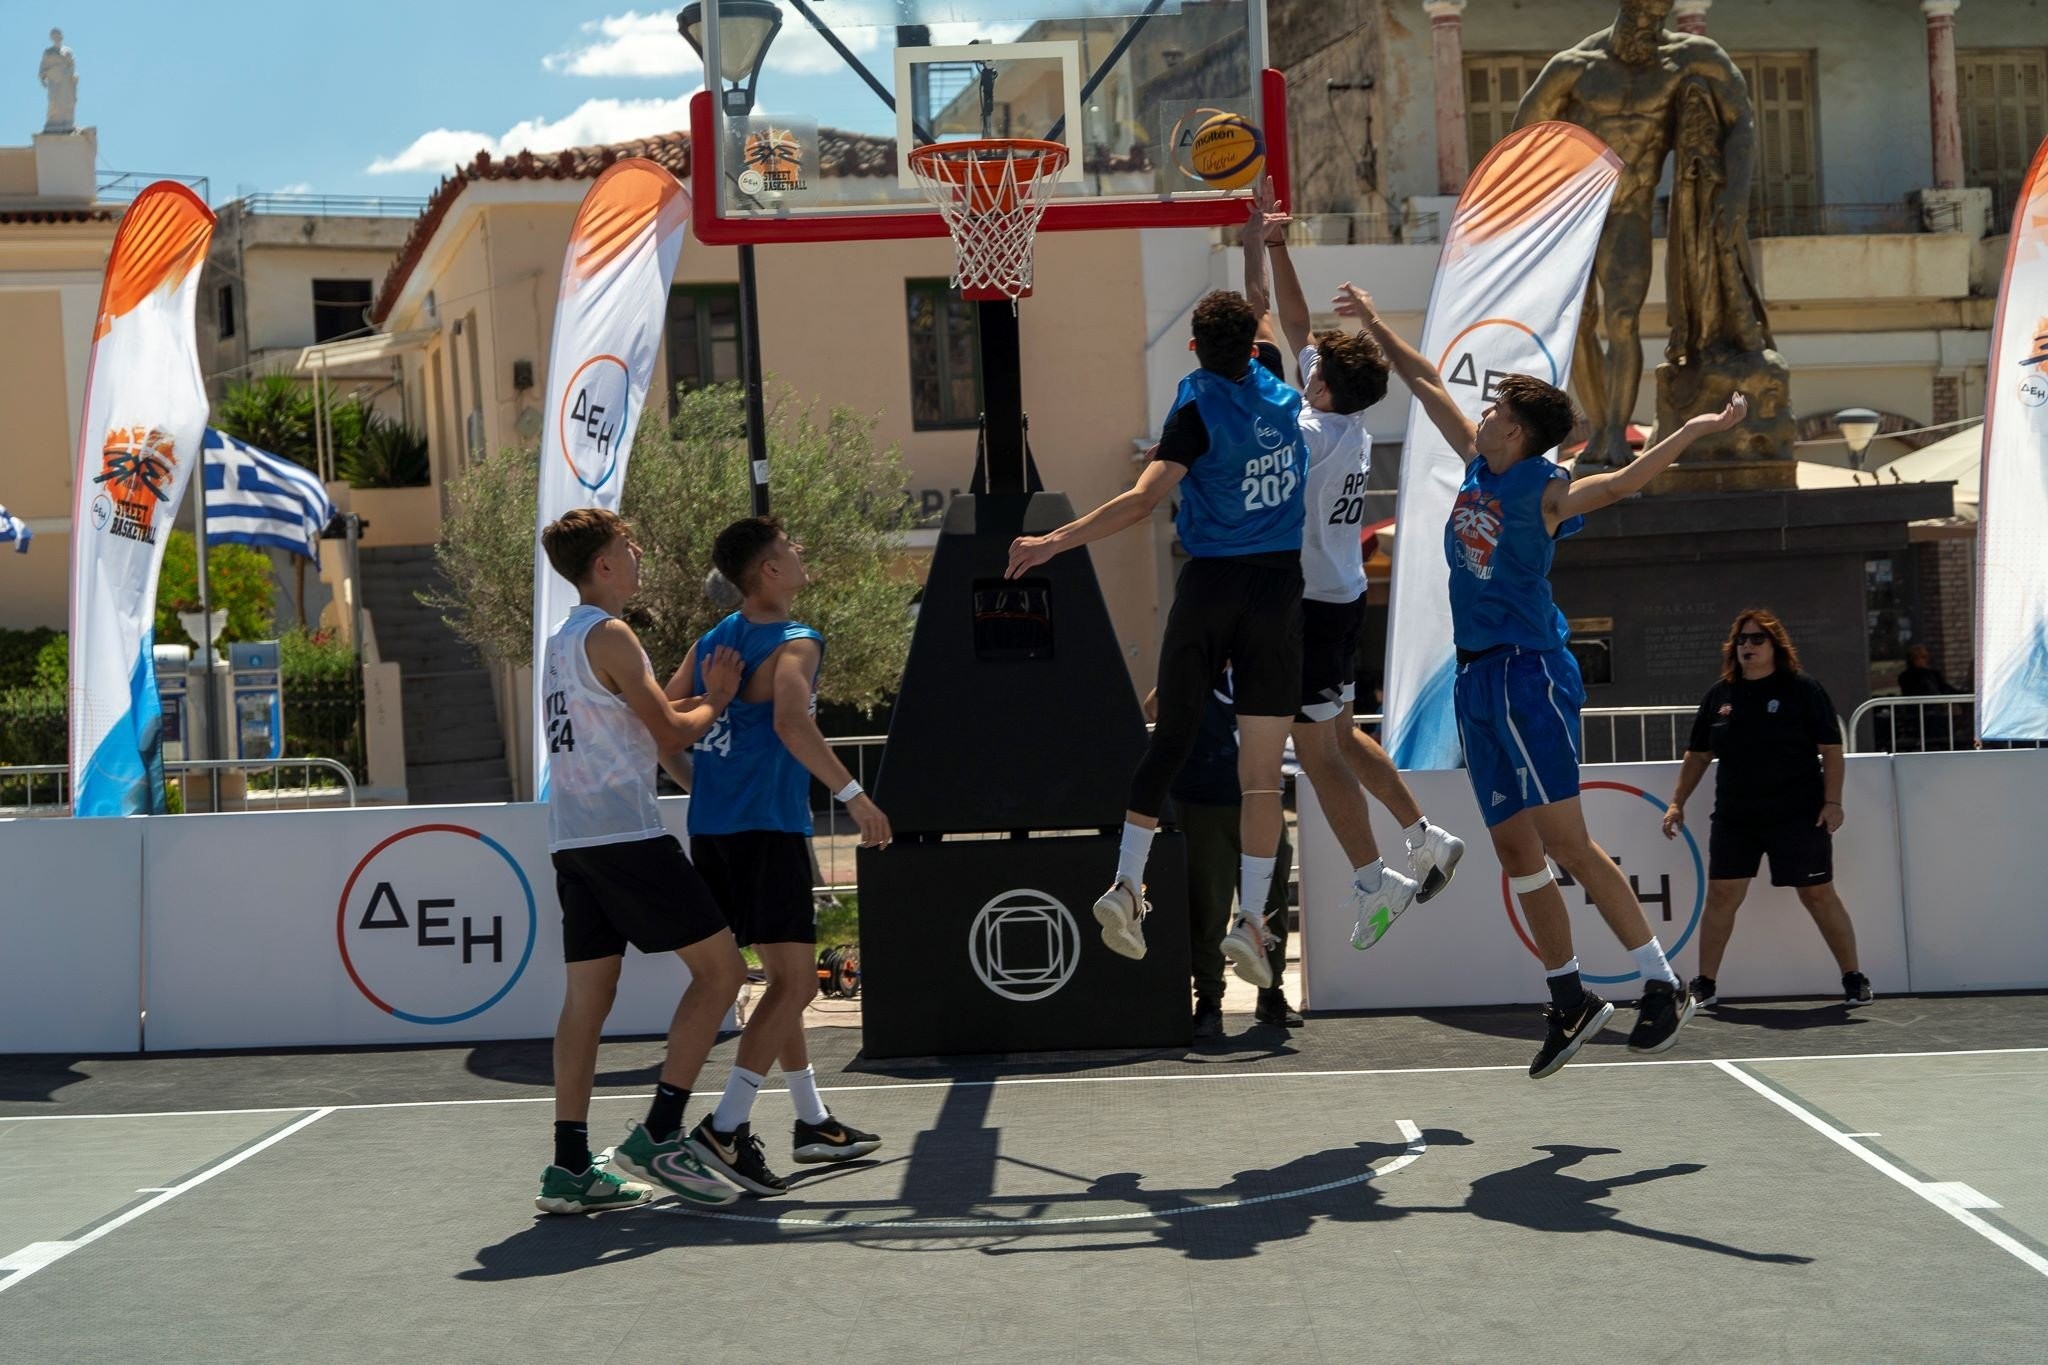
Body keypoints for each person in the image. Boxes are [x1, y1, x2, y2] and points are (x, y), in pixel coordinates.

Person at [1338, 281, 1747, 1079]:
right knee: (1514, 848)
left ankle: (1661, 984)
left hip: (1529, 676)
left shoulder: (1542, 488)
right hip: (1476, 681)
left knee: (1565, 840)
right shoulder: (1479, 467)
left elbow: (1628, 480)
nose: (1481, 413)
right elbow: (1425, 381)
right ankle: (1569, 996)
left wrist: (1698, 426)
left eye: (1494, 411)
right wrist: (1379, 325)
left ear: (1517, 429)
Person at [1005, 182, 1305, 991]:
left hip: (1210, 589)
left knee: (1169, 737)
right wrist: (1253, 240)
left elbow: (1143, 501)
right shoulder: (1277, 384)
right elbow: (1259, 310)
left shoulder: (1196, 406)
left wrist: (1053, 541)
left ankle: (1127, 882)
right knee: (1260, 772)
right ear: (1249, 346)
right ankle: (1253, 921)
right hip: (1277, 592)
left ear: (1192, 351)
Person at [665, 516, 889, 1197]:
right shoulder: (796, 641)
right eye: (790, 547)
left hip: (716, 831)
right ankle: (724, 1128)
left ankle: (812, 1120)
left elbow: (662, 724)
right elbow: (794, 722)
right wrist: (854, 794)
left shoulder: (714, 641)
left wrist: (704, 783)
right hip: (768, 830)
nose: (799, 552)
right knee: (799, 983)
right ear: (768, 570)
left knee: (777, 975)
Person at [1257, 207, 1467, 933]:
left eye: (1313, 368)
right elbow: (1297, 327)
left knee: (1315, 756)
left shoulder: (1310, 431)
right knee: (1342, 738)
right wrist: (1277, 246)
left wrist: (1260, 275)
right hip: (1344, 594)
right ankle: (1425, 836)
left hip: (1313, 606)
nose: (1305, 362)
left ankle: (1375, 881)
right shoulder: (1347, 419)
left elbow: (1278, 334)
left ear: (1322, 386)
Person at [535, 507, 748, 1214]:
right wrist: (717, 698)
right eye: (630, 547)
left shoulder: (563, 641)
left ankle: (569, 1164)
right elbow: (667, 727)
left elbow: (635, 713)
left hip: (574, 839)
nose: (639, 555)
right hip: (625, 835)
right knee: (723, 973)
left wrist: (691, 698)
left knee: (586, 1001)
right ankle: (659, 1132)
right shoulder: (614, 633)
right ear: (602, 565)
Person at [1661, 611, 1872, 1007]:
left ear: (1776, 646)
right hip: (1736, 818)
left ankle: (1854, 977)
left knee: (1818, 894)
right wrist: (1677, 803)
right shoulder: (1720, 696)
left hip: (1798, 814)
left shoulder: (1803, 690)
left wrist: (1833, 803)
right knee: (1722, 895)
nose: (1748, 646)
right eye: (1742, 639)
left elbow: (1831, 750)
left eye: (1757, 639)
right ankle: (1704, 984)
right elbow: (1698, 755)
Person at [1147, 671, 1298, 1036]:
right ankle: (1210, 1001)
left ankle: (1271, 991)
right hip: (1203, 802)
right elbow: (1153, 708)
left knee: (1270, 904)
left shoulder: (1263, 667)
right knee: (1207, 908)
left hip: (1261, 802)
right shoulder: (1196, 666)